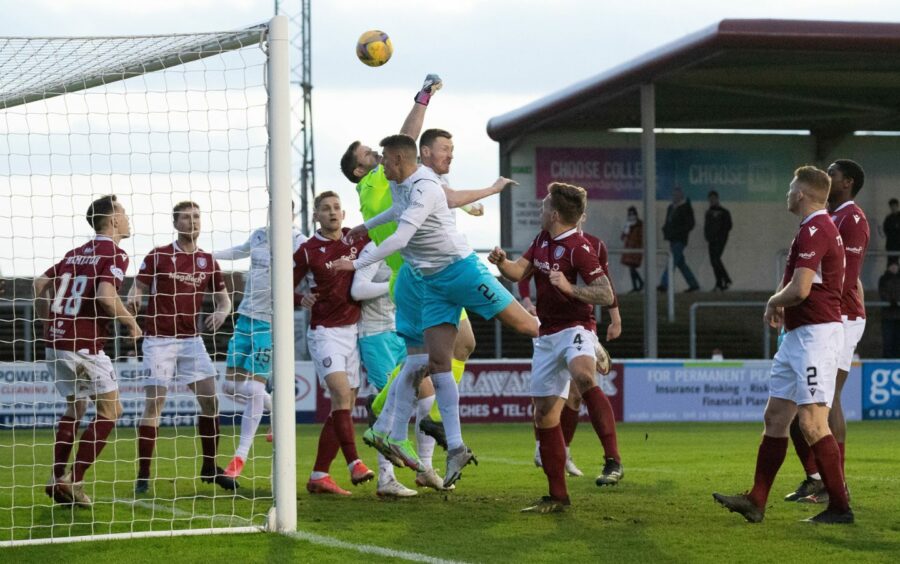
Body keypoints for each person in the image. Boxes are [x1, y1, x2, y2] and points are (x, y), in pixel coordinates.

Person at [336, 134, 539, 489]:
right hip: (430, 281)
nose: (381, 163)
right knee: (437, 364)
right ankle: (455, 447)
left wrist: (355, 262)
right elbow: (396, 213)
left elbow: (400, 237)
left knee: (527, 327)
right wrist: (363, 227)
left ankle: (580, 334)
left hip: (461, 272)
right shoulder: (401, 184)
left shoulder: (426, 187)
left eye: (384, 158)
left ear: (399, 159)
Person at [713, 166, 852, 525]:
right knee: (776, 417)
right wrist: (781, 305)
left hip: (816, 337)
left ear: (802, 193)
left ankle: (840, 507)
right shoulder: (813, 228)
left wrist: (773, 301)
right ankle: (756, 500)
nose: (788, 193)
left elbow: (801, 289)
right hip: (800, 335)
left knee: (811, 422)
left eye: (791, 187)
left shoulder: (817, 229)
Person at [489, 182, 615, 513]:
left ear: (555, 214)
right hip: (546, 336)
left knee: (584, 378)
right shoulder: (542, 240)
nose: (541, 209)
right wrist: (502, 262)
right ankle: (558, 497)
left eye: (544, 205)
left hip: (576, 327)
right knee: (544, 414)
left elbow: (604, 294)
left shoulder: (580, 248)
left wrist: (571, 289)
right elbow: (518, 273)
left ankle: (612, 459)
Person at [34, 195, 141, 506]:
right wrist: (132, 323)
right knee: (111, 411)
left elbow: (39, 283)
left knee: (76, 408)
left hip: (55, 342)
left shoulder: (75, 253)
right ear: (112, 220)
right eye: (123, 212)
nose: (128, 218)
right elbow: (107, 298)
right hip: (84, 345)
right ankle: (75, 481)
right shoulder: (116, 254)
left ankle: (57, 478)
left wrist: (47, 321)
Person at [129, 201, 235, 494]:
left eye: (197, 217)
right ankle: (143, 474)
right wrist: (134, 297)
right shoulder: (159, 255)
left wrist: (222, 312)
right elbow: (138, 286)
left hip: (191, 341)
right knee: (155, 405)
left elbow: (224, 300)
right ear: (176, 224)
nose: (193, 222)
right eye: (187, 218)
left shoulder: (208, 261)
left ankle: (211, 467)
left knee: (211, 403)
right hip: (159, 340)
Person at [784, 159, 868, 504]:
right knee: (797, 411)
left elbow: (847, 277)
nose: (828, 176)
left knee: (826, 403)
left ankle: (837, 486)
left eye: (833, 173)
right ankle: (819, 478)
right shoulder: (830, 218)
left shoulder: (853, 218)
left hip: (839, 317)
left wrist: (825, 308)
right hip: (823, 316)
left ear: (846, 182)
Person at [525, 216, 622, 484]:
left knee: (578, 391)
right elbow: (525, 271)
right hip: (547, 327)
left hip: (578, 327)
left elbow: (605, 284)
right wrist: (525, 299)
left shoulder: (592, 245)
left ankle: (567, 453)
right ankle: (542, 447)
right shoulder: (543, 240)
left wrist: (616, 318)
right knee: (546, 401)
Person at [213, 214, 307, 480]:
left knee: (254, 389)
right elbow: (239, 251)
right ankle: (277, 410)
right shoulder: (258, 234)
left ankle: (239, 459)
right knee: (229, 387)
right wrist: (208, 255)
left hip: (270, 322)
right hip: (245, 317)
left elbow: (312, 261)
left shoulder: (297, 240)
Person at [293, 191, 374, 496]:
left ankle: (319, 475)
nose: (332, 213)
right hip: (324, 332)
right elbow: (284, 285)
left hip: (354, 331)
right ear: (316, 216)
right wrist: (302, 298)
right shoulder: (307, 250)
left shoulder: (356, 240)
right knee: (341, 395)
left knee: (346, 404)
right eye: (325, 209)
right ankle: (355, 463)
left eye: (336, 208)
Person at [350, 247, 419, 497]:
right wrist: (391, 284)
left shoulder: (405, 247)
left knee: (413, 396)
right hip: (375, 334)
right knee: (387, 400)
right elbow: (357, 290)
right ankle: (386, 478)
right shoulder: (374, 249)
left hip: (399, 330)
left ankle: (424, 467)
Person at [658, 187, 699, 292]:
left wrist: (680, 231)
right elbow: (668, 222)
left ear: (681, 196)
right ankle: (693, 284)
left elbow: (691, 224)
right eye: (673, 195)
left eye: (677, 195)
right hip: (672, 239)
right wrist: (666, 230)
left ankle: (664, 283)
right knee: (681, 264)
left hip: (680, 239)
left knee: (671, 262)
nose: (674, 197)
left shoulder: (686, 208)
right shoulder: (671, 208)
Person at [704, 191, 733, 291]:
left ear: (717, 199)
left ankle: (726, 279)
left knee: (715, 259)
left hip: (720, 240)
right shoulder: (708, 212)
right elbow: (707, 226)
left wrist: (720, 236)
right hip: (711, 240)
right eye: (710, 199)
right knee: (714, 261)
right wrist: (707, 236)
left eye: (713, 199)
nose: (712, 201)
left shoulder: (724, 212)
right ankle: (720, 283)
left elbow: (728, 226)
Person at [620, 206, 643, 292]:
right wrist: (626, 227)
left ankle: (639, 284)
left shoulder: (640, 225)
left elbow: (641, 238)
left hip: (636, 249)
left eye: (633, 214)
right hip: (629, 250)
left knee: (632, 268)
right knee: (631, 268)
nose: (631, 216)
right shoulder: (628, 224)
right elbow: (622, 237)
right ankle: (637, 286)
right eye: (630, 214)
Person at [879, 262, 900, 357]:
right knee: (888, 341)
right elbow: (882, 293)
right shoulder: (883, 279)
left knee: (897, 341)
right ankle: (887, 361)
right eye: (892, 265)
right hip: (888, 316)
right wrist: (893, 301)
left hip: (898, 316)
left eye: (896, 266)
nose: (894, 268)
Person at [884, 198, 900, 267]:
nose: (893, 208)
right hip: (891, 245)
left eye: (894, 206)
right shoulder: (888, 219)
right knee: (891, 263)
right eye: (892, 206)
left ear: (897, 206)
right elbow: (886, 230)